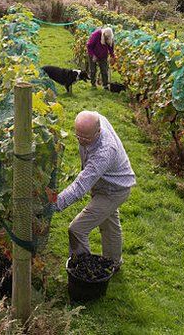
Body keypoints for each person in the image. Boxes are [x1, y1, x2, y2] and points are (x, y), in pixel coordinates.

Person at [50, 111, 136, 265]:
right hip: (108, 182)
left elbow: (80, 186)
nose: (81, 141)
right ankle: (114, 263)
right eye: (78, 136)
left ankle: (82, 268)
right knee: (109, 225)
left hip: (113, 190)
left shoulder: (104, 152)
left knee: (77, 229)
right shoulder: (95, 119)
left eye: (86, 138)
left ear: (99, 131)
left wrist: (52, 206)